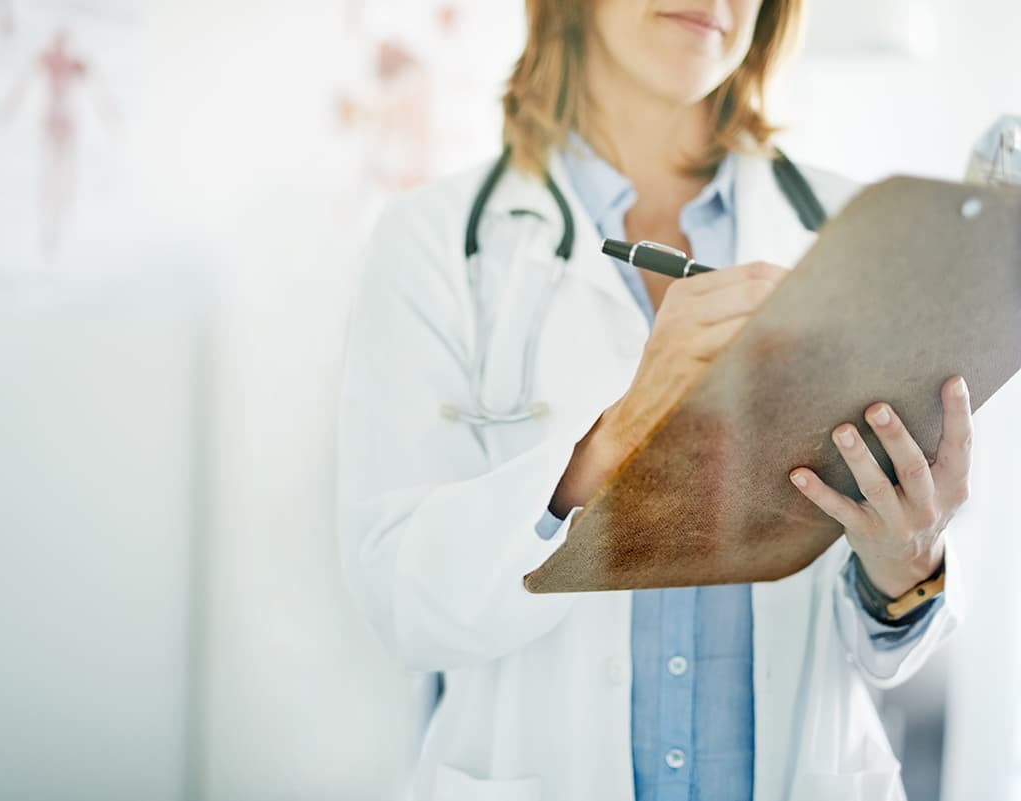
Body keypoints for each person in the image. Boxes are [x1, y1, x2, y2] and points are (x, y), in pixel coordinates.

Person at [335, 1, 971, 799]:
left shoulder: (865, 231)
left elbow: (892, 637)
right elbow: (403, 600)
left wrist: (904, 563)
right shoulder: (435, 243)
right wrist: (619, 435)